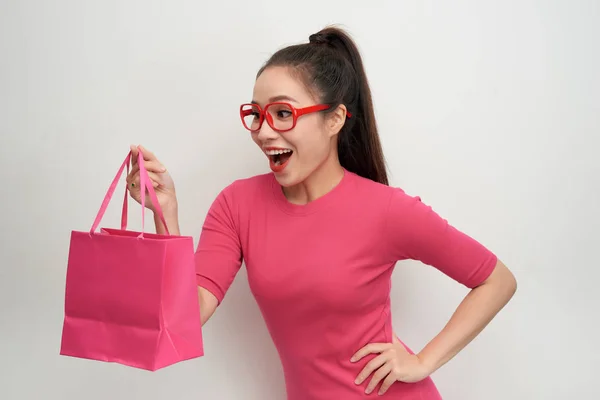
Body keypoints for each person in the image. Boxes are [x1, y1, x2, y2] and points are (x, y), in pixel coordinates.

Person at [126, 26, 517, 400]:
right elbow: (185, 320)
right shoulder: (236, 205)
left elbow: (496, 281)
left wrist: (422, 362)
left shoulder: (387, 210)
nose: (264, 131)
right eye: (257, 115)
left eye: (283, 113)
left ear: (333, 120)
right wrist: (166, 217)